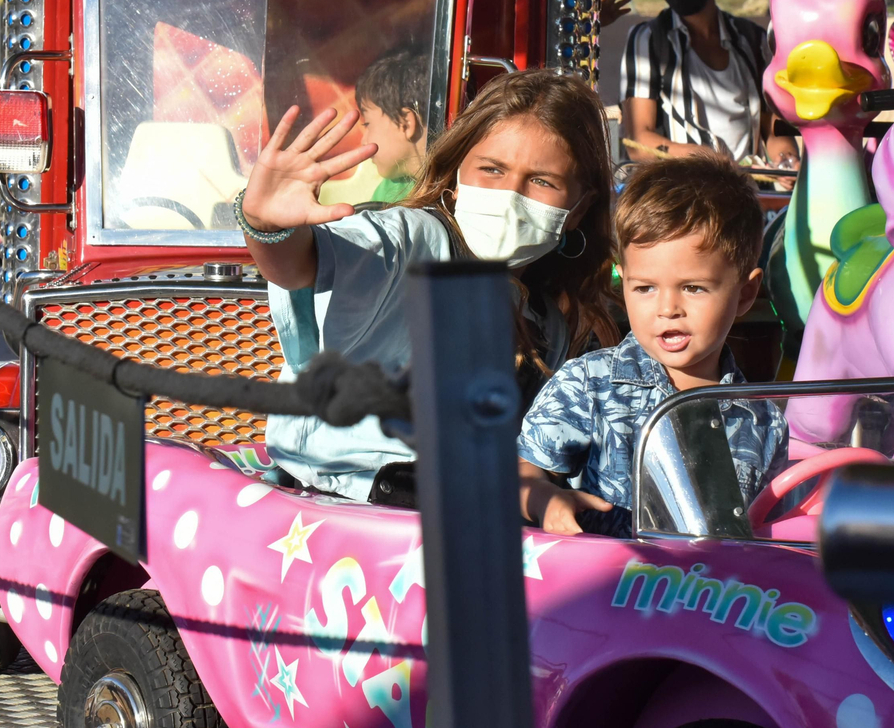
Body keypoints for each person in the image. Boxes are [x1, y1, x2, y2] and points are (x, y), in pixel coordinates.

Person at [240, 70, 620, 502]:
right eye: (492, 169)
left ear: (578, 207)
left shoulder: (551, 319)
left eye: (541, 181)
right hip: (339, 512)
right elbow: (302, 264)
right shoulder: (413, 242)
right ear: (457, 176)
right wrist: (265, 225)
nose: (510, 195)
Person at [515, 157, 788, 535]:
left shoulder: (763, 421)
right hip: (607, 588)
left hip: (710, 592)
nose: (667, 309)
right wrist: (545, 499)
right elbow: (520, 470)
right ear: (622, 283)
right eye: (645, 288)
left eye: (693, 288)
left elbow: (771, 534)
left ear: (745, 294)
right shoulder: (589, 382)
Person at [619, 0, 767, 163]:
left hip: (751, 191)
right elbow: (638, 143)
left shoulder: (751, 39)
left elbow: (773, 126)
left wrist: (785, 159)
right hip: (686, 191)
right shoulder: (649, 40)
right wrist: (709, 160)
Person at [354, 47, 429, 203]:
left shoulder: (461, 190)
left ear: (405, 123)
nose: (363, 141)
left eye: (367, 124)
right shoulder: (388, 190)